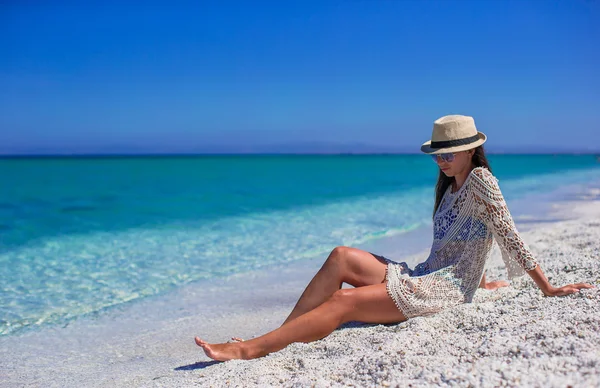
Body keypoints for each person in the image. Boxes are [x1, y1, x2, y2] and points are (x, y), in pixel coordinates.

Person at [195, 114, 594, 361]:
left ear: (472, 150)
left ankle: (250, 349)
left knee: (344, 301)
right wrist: (481, 275)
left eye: (450, 152)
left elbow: (509, 235)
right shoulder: (450, 186)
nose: (442, 159)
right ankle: (280, 335)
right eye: (438, 152)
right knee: (341, 256)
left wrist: (549, 289)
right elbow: (458, 244)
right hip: (425, 274)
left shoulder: (481, 181)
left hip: (441, 291)